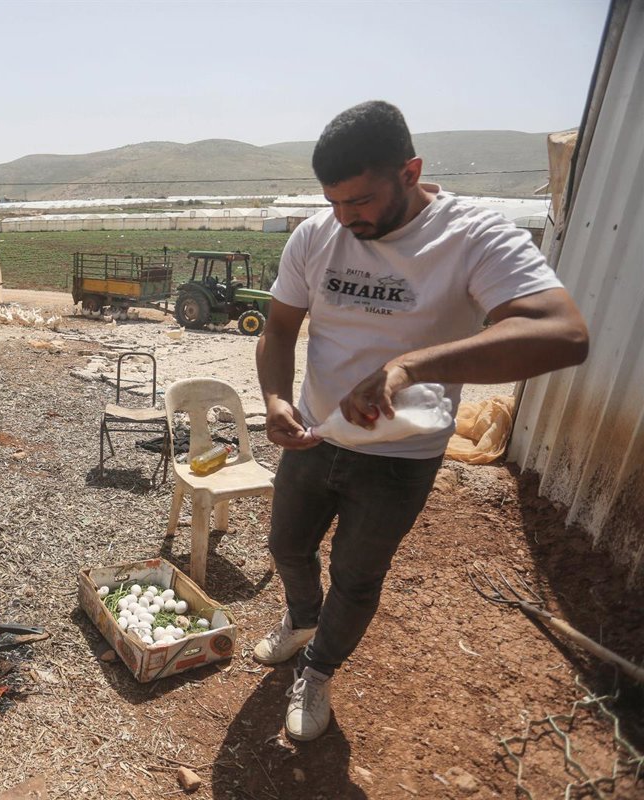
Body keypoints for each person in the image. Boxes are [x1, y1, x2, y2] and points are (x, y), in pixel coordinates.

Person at [253, 100, 588, 742]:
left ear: (410, 172)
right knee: (287, 547)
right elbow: (279, 329)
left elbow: (564, 334)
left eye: (360, 200)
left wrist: (411, 366)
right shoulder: (317, 235)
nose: (346, 218)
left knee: (357, 577)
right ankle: (302, 619)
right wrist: (274, 399)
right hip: (315, 436)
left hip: (400, 459)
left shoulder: (472, 236)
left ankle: (318, 669)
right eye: (333, 202)